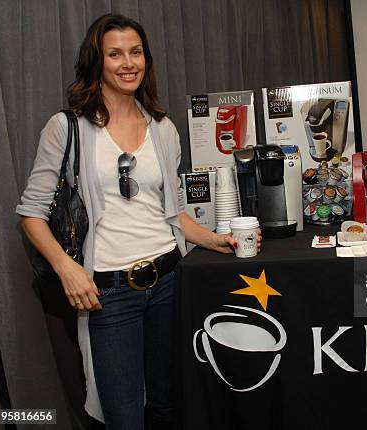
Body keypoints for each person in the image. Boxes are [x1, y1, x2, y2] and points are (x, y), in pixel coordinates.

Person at [16, 13, 260, 429]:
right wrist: (68, 269)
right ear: (97, 61)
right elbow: (31, 213)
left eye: (135, 52)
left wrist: (211, 239)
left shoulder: (163, 129)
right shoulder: (66, 128)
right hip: (107, 293)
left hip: (167, 282)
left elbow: (169, 212)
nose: (128, 63)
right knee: (124, 416)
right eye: (115, 54)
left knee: (168, 406)